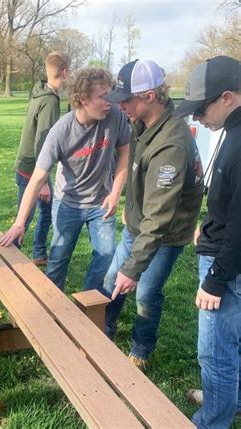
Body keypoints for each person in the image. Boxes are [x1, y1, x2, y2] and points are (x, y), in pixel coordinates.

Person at [102, 59, 204, 371]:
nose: (122, 108)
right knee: (110, 281)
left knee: (145, 291)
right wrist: (130, 210)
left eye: (127, 100)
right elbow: (140, 176)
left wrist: (133, 269)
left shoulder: (171, 143)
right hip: (140, 225)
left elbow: (160, 217)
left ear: (149, 96)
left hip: (165, 233)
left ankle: (141, 349)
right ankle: (103, 332)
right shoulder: (142, 124)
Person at [1, 68, 130, 292]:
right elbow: (37, 178)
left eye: (110, 95)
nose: (109, 102)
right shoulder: (61, 132)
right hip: (67, 202)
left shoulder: (115, 115)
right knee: (58, 260)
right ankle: (53, 313)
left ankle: (88, 307)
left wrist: (115, 192)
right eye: (102, 96)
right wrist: (20, 223)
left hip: (101, 202)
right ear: (82, 99)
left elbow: (126, 151)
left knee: (105, 258)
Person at [175, 55, 241, 429]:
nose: (197, 117)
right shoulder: (232, 130)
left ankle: (213, 420)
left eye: (201, 108)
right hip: (223, 248)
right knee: (234, 341)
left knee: (216, 352)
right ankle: (230, 398)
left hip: (227, 265)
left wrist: (216, 277)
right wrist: (209, 221)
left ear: (227, 97)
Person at [13, 51, 70, 265]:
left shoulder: (39, 92)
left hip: (25, 165)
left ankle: (38, 254)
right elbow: (42, 141)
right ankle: (12, 257)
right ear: (64, 72)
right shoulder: (49, 101)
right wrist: (43, 182)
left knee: (42, 212)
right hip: (31, 168)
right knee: (25, 217)